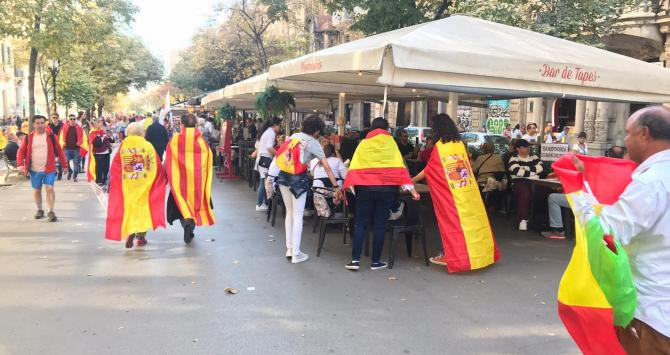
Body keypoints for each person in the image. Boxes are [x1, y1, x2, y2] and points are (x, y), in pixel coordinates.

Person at [570, 106, 670, 353]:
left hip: (654, 311)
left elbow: (605, 233)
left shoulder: (650, 182)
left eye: (628, 134)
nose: (625, 141)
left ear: (644, 134)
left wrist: (578, 191)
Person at [412, 114, 499, 271]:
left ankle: (453, 256)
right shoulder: (459, 144)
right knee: (474, 225)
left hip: (451, 194)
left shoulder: (440, 147)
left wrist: (413, 180)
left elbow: (430, 169)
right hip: (468, 192)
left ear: (438, 129)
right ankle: (482, 254)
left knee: (453, 225)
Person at [343, 117, 420, 271]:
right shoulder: (391, 143)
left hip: (365, 189)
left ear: (371, 128)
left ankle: (355, 261)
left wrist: (349, 187)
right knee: (379, 225)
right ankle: (375, 262)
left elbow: (354, 166)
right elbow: (400, 167)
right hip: (387, 190)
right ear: (387, 129)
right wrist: (412, 190)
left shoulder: (363, 144)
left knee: (361, 224)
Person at [275, 115, 342, 264]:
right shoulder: (314, 143)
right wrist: (336, 186)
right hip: (298, 179)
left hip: (283, 176)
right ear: (317, 130)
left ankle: (289, 249)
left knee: (290, 213)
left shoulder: (293, 136)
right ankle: (296, 254)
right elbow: (327, 167)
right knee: (298, 215)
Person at [105, 122, 166, 248]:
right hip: (144, 183)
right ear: (141, 132)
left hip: (127, 184)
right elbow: (155, 163)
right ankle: (141, 237)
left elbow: (116, 165)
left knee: (130, 208)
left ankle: (130, 232)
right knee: (143, 209)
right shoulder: (147, 145)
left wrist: (112, 181)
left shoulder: (124, 145)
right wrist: (159, 178)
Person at [165, 113, 215, 244]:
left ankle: (186, 225)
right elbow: (208, 159)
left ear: (182, 124)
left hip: (180, 181)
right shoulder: (201, 141)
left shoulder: (174, 140)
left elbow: (169, 158)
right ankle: (190, 227)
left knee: (182, 204)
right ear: (196, 125)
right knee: (195, 203)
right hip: (197, 181)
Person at [16, 115, 67, 222]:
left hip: (49, 168)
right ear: (34, 125)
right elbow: (20, 152)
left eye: (42, 123)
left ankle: (50, 211)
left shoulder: (51, 137)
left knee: (49, 188)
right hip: (34, 170)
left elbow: (60, 151)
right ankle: (40, 210)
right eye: (37, 123)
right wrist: (20, 165)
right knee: (37, 189)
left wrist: (65, 165)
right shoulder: (28, 138)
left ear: (45, 123)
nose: (40, 125)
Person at [508, 139, 543, 231]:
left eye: (528, 147)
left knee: (545, 193)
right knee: (525, 193)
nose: (528, 149)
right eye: (525, 147)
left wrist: (524, 168)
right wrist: (533, 172)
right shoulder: (513, 158)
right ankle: (523, 220)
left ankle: (540, 221)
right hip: (519, 182)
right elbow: (517, 172)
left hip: (535, 182)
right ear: (518, 149)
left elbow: (541, 168)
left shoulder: (534, 157)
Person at [254, 117, 282, 212]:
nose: (280, 127)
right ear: (275, 125)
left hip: (261, 159)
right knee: (263, 182)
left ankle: (262, 203)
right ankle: (259, 204)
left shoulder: (266, 131)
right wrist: (279, 154)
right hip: (264, 160)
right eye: (279, 125)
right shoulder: (271, 133)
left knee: (263, 182)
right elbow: (269, 147)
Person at [59, 113, 85, 182]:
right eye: (71, 119)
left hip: (76, 149)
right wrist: (62, 143)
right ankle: (70, 171)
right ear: (69, 120)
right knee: (66, 162)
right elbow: (61, 137)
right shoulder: (64, 127)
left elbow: (83, 137)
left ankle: (75, 176)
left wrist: (80, 143)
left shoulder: (79, 128)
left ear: (76, 120)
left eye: (74, 119)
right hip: (67, 148)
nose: (72, 120)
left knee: (76, 163)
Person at [89, 119, 113, 186]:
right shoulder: (92, 132)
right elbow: (97, 143)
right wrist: (102, 137)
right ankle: (99, 180)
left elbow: (109, 140)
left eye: (101, 122)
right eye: (99, 122)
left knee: (106, 168)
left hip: (106, 152)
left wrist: (109, 146)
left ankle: (105, 180)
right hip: (98, 153)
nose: (101, 124)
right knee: (99, 167)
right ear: (96, 124)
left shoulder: (102, 131)